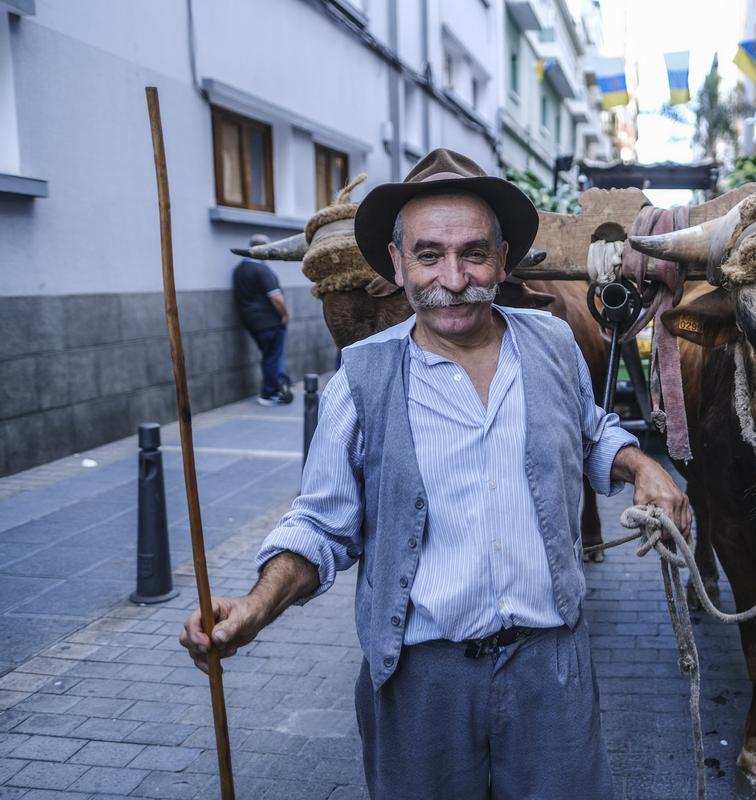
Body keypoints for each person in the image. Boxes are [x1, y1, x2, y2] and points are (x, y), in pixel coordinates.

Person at [180, 149, 692, 798]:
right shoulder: (361, 378)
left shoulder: (552, 342)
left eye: (474, 253)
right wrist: (256, 607)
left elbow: (590, 428)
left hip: (551, 669)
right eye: (428, 255)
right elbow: (319, 525)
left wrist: (642, 464)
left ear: (503, 260)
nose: (453, 277)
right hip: (423, 683)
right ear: (396, 266)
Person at [233, 234, 293, 405]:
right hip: (270, 322)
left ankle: (275, 388)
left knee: (269, 356)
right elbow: (276, 298)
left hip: (252, 322)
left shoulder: (239, 269)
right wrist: (285, 314)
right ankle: (270, 393)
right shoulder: (262, 269)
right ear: (264, 250)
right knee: (273, 357)